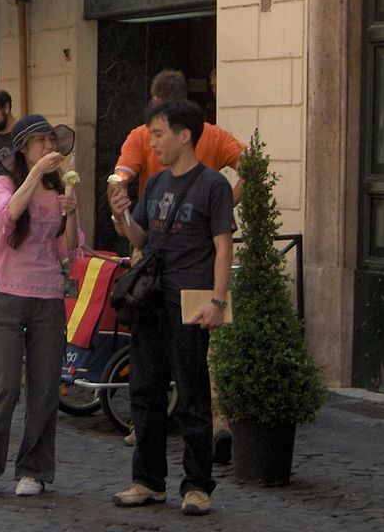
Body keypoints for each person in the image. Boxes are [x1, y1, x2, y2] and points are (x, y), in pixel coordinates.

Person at [108, 99, 234, 517]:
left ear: (184, 135)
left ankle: (197, 486)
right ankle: (147, 480)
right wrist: (123, 217)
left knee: (193, 396)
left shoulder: (213, 184)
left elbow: (222, 246)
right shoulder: (156, 183)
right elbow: (141, 237)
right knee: (144, 392)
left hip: (191, 302)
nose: (152, 142)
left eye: (158, 133)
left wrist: (218, 301)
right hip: (151, 301)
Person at [0, 114, 81, 499]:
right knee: (5, 384)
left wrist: (72, 210)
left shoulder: (59, 186)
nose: (50, 148)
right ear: (23, 150)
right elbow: (6, 217)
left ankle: (34, 469)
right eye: (42, 142)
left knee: (45, 387)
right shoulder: (3, 183)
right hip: (10, 294)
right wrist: (33, 178)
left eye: (52, 141)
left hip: (48, 295)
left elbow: (68, 250)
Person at [115, 69, 243, 205]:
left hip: (157, 220)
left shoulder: (141, 135)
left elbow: (120, 177)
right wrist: (226, 205)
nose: (153, 143)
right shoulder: (214, 135)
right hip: (200, 219)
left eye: (158, 134)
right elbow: (251, 166)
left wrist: (120, 215)